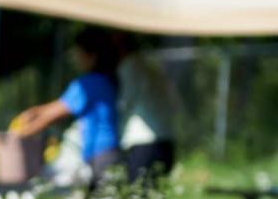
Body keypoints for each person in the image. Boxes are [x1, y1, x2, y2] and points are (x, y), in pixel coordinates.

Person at [9, 30, 122, 184]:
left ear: (92, 56)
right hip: (111, 153)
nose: (76, 59)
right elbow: (55, 107)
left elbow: (53, 115)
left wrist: (14, 137)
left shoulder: (87, 84)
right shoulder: (105, 80)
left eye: (78, 54)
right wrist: (33, 112)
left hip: (100, 155)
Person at [116, 39, 178, 184]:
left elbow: (124, 103)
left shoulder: (129, 65)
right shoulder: (152, 64)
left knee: (137, 196)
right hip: (166, 139)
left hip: (144, 141)